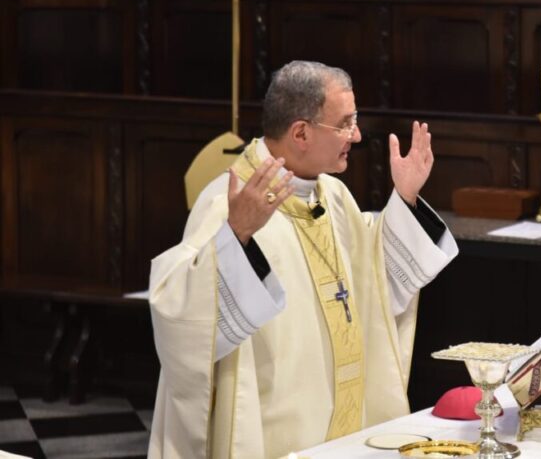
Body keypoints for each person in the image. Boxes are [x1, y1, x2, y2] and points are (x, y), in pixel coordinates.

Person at [148, 61, 458, 458]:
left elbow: (374, 287)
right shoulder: (228, 203)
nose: (357, 135)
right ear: (300, 132)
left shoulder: (334, 196)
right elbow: (179, 319)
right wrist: (236, 237)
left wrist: (407, 198)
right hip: (273, 430)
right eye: (345, 123)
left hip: (340, 425)